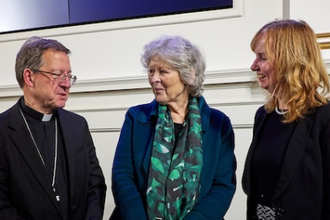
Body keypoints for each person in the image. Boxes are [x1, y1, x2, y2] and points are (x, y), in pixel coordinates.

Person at [110, 35, 236, 220]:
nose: (154, 79)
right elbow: (122, 176)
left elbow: (222, 186)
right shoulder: (137, 118)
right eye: (151, 71)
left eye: (163, 71)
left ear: (189, 75)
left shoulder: (218, 123)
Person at [0, 36, 107, 220]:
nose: (66, 84)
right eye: (57, 75)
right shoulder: (2, 131)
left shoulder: (77, 126)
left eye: (69, 76)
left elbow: (95, 185)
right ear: (29, 77)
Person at [242, 19, 330, 220]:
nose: (254, 66)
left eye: (262, 57)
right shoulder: (264, 115)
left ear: (289, 60)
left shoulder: (324, 118)